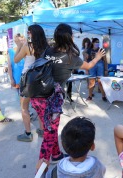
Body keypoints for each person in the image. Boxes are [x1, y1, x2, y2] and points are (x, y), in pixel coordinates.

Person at [29, 23, 105, 164]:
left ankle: (56, 155)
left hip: (36, 96)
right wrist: (98, 57)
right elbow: (88, 66)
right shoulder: (71, 57)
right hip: (51, 101)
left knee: (50, 128)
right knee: (49, 134)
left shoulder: (48, 51)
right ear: (70, 37)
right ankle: (40, 176)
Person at [38, 117, 109, 178]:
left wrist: (42, 172)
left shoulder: (54, 173)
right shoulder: (98, 167)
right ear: (92, 146)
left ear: (62, 144)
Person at [11, 32, 44, 141]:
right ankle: (42, 130)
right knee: (39, 106)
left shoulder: (28, 46)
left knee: (24, 107)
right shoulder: (45, 46)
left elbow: (15, 60)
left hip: (28, 79)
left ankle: (28, 134)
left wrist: (19, 45)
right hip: (40, 78)